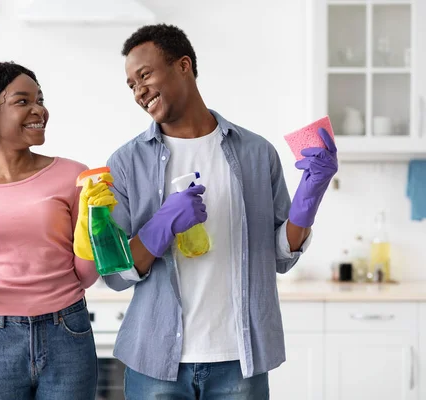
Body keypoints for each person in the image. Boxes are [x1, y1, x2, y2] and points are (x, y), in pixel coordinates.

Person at [103, 24, 338, 399]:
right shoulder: (126, 163)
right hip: (155, 362)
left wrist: (311, 194)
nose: (138, 91)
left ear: (184, 65)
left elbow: (281, 255)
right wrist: (160, 226)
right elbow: (115, 273)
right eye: (131, 84)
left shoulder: (257, 153)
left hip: (238, 360)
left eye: (144, 75)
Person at [0, 61, 116, 400]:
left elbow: (85, 276)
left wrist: (93, 222)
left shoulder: (74, 177)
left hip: (68, 331)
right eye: (23, 101)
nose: (40, 110)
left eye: (40, 99)